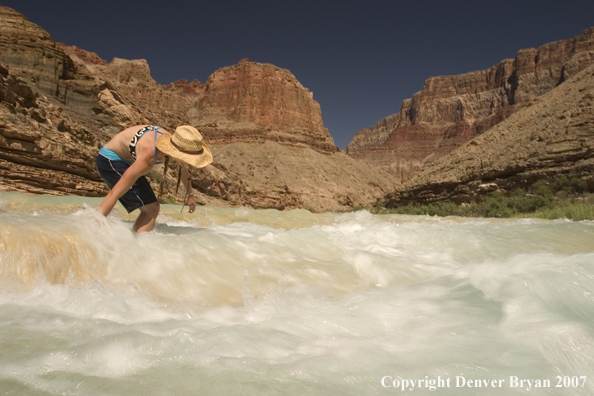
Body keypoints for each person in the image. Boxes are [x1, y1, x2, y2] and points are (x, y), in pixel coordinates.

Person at [95, 124, 213, 233]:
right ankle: (95, 226)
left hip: (125, 160)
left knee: (151, 208)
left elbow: (183, 169)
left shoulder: (173, 140)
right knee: (151, 209)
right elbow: (114, 193)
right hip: (110, 161)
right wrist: (91, 228)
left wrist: (190, 195)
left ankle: (135, 242)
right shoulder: (149, 157)